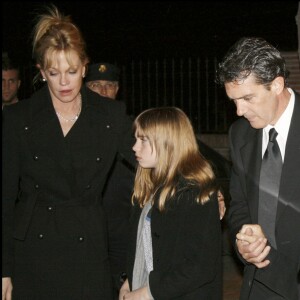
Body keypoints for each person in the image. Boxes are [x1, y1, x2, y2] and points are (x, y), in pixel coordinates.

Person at [2, 5, 135, 300]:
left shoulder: (110, 116)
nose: (64, 82)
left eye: (72, 71)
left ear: (85, 67)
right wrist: (4, 269)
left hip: (88, 250)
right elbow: (5, 197)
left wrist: (201, 187)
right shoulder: (19, 119)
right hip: (33, 254)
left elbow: (156, 159)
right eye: (54, 72)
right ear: (41, 72)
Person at [217, 37, 300, 299]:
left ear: (276, 84)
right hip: (260, 282)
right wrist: (244, 242)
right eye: (234, 101)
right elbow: (239, 205)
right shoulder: (240, 134)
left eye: (248, 98)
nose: (240, 110)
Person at [119, 107, 222, 300]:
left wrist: (148, 292)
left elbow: (200, 266)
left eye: (143, 140)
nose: (134, 147)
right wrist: (130, 280)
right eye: (136, 139)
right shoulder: (150, 186)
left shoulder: (194, 192)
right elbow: (145, 247)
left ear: (167, 143)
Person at [86, 62, 135, 299]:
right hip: (87, 235)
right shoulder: (74, 131)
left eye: (109, 86)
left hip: (123, 236)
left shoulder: (132, 131)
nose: (103, 92)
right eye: (96, 85)